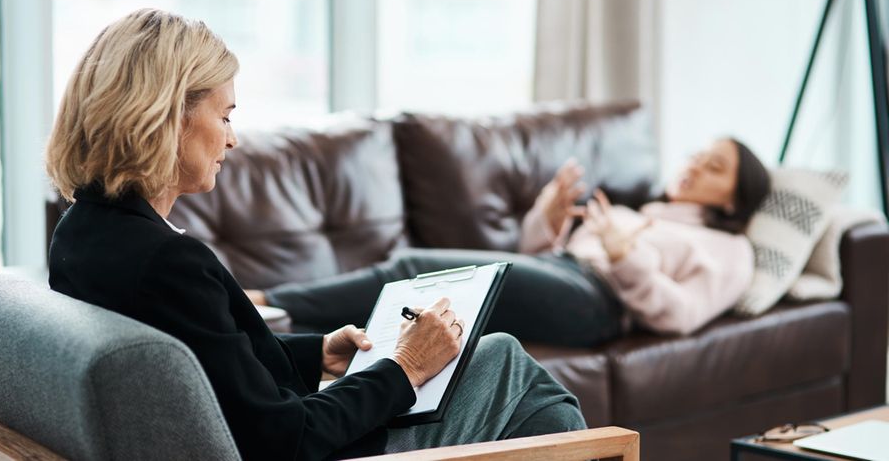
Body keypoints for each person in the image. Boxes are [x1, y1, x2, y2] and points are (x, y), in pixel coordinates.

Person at [44, 9, 584, 461]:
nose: (233, 140)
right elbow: (285, 439)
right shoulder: (168, 263)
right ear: (167, 117)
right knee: (506, 363)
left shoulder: (83, 232)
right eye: (225, 115)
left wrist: (317, 353)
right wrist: (404, 367)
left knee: (538, 412)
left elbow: (202, 368)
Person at [253, 138, 771, 347]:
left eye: (715, 167)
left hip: (599, 303)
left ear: (734, 199)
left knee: (414, 268)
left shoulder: (730, 251)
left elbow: (680, 315)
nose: (697, 165)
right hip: (567, 276)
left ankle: (268, 305)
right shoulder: (643, 213)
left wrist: (624, 254)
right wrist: (546, 218)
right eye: (700, 154)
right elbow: (536, 260)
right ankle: (277, 337)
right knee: (414, 302)